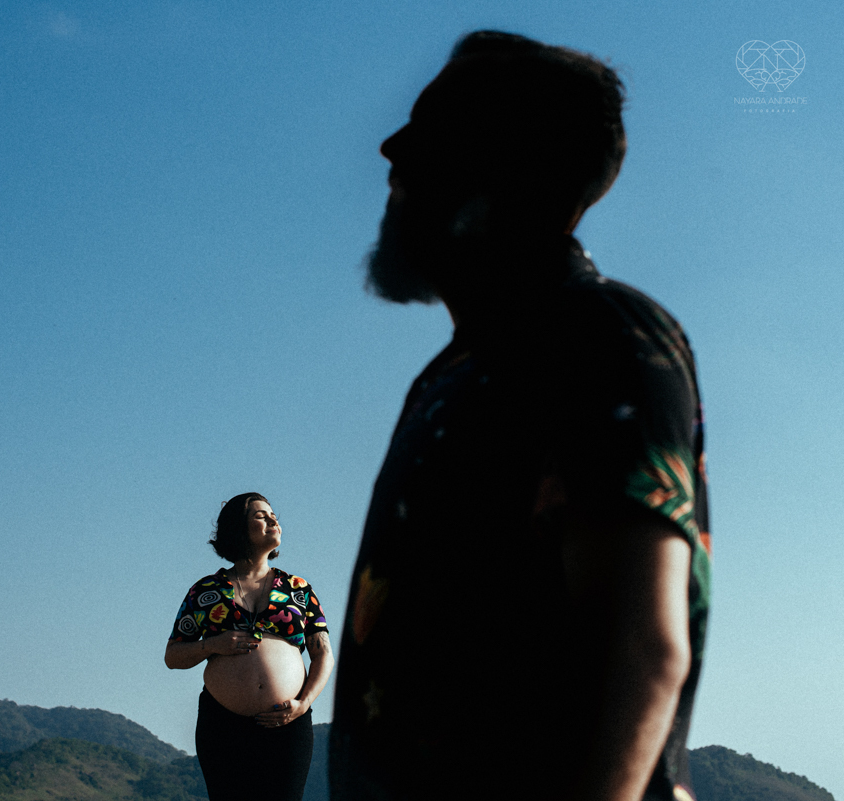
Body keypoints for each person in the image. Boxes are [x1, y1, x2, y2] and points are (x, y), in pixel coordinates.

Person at [329, 31, 711, 801]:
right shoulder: (449, 376)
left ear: (508, 167)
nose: (389, 150)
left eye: (430, 131)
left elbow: (638, 646)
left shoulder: (600, 334)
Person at [166, 493, 335, 801]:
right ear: (237, 528)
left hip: (287, 723)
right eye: (261, 515)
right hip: (223, 725)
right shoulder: (206, 591)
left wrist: (304, 703)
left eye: (273, 515)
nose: (273, 520)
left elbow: (323, 654)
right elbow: (173, 655)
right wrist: (213, 645)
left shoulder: (298, 589)